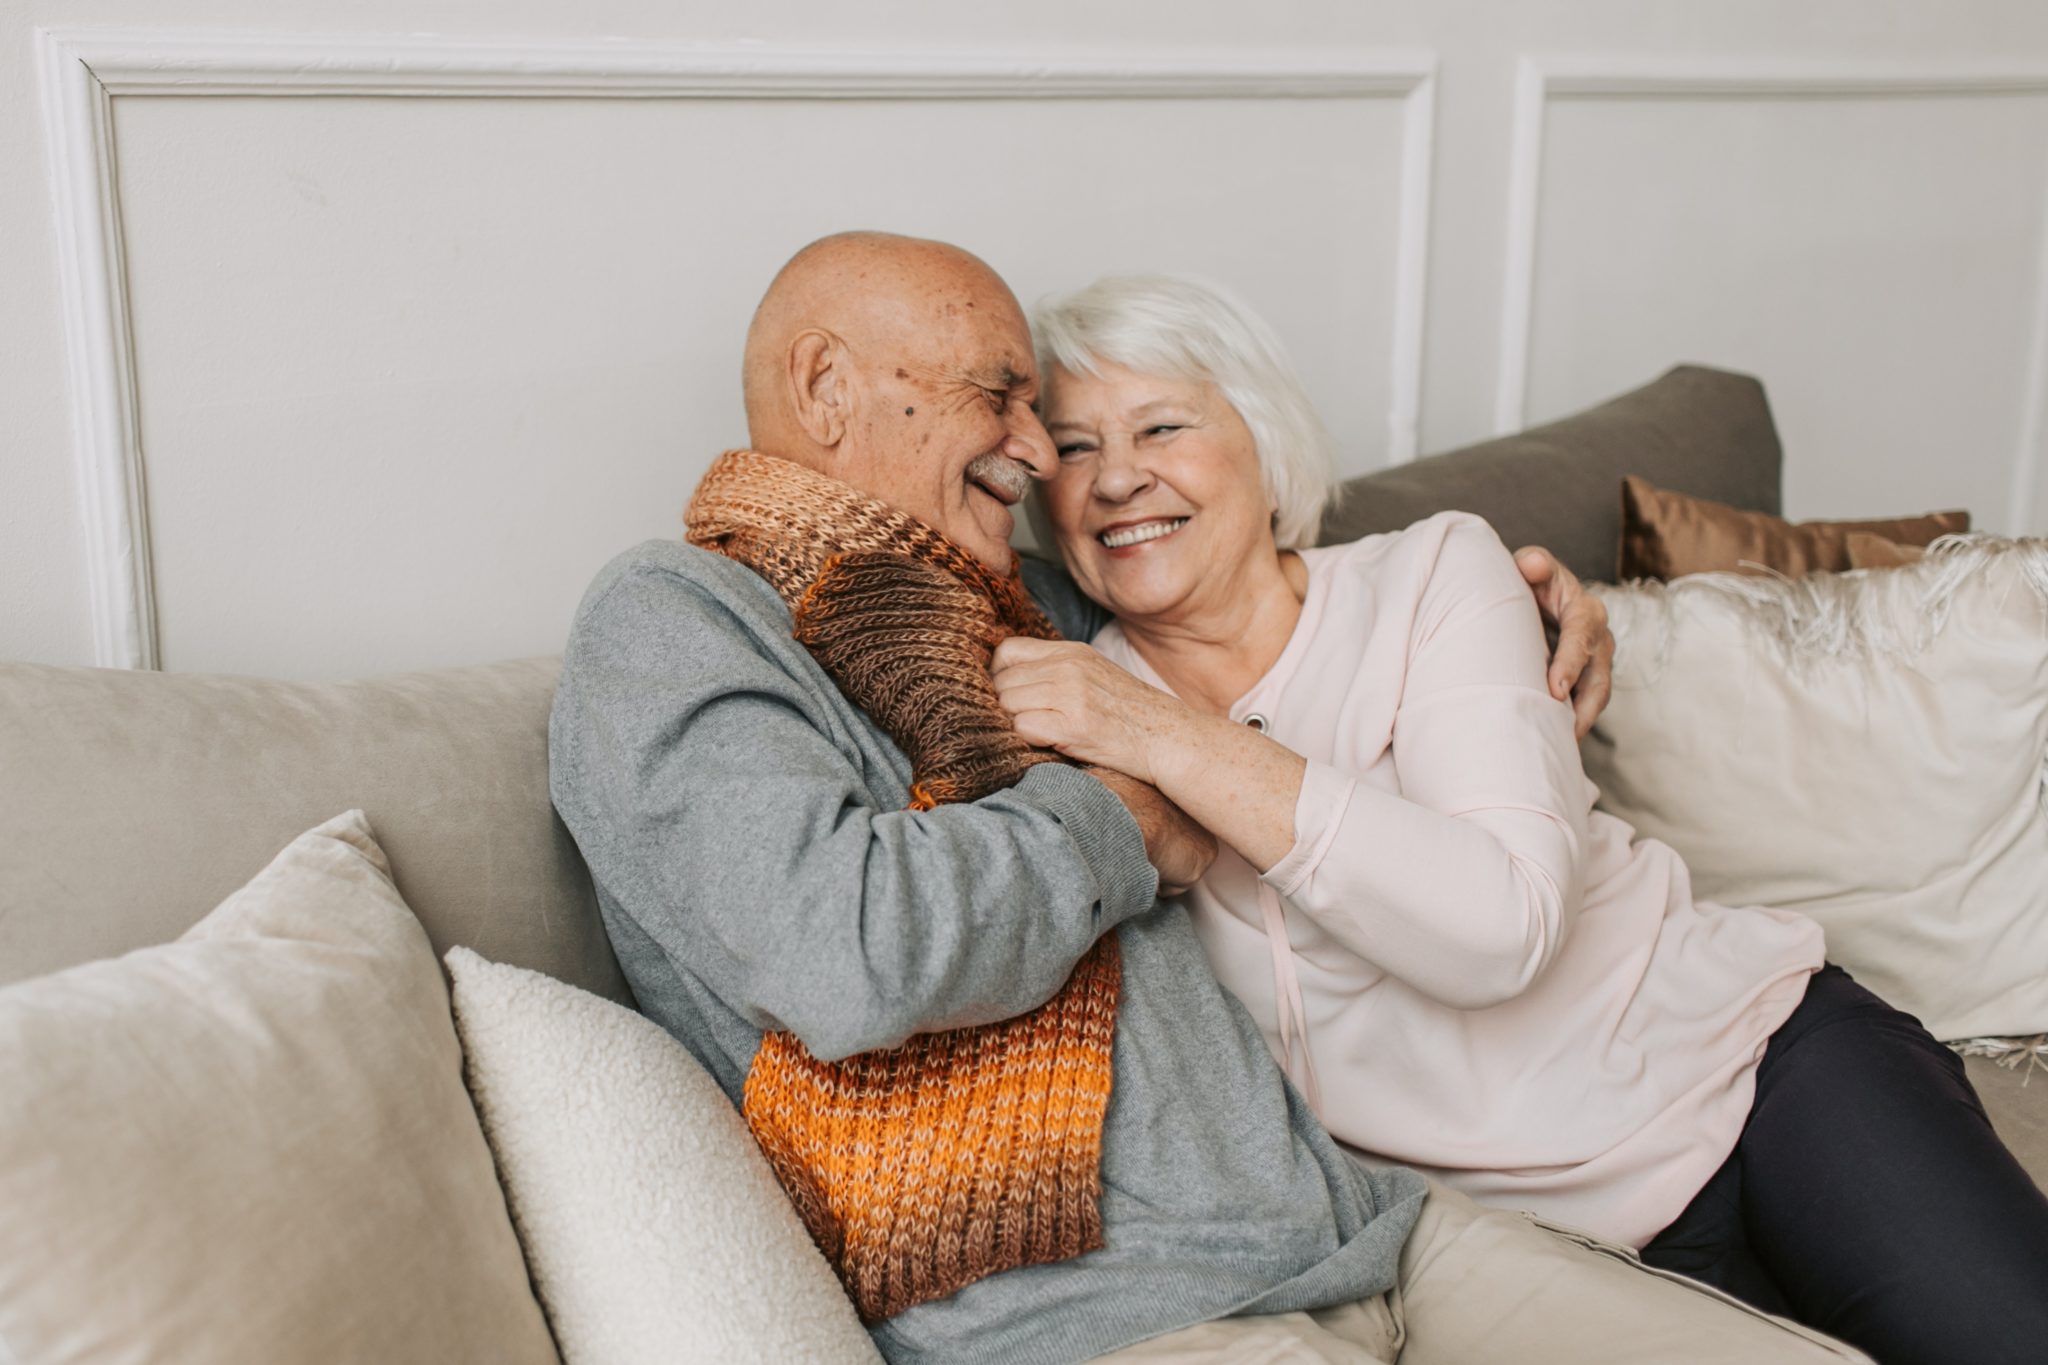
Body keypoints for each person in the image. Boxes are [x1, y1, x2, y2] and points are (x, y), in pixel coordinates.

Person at [549, 231, 1869, 1364]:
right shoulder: (678, 621)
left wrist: (1547, 604)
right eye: (1005, 401)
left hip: (1372, 1227)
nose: (1039, 454)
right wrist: (1130, 822)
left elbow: (1236, 569)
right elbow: (841, 950)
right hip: (1131, 1317)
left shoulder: (1014, 602)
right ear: (825, 385)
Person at [992, 270, 2048, 1365]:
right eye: (1071, 449)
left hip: (1753, 1075)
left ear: (1263, 449)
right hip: (1532, 1253)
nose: (1116, 477)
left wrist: (1173, 740)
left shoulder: (1434, 576)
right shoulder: (1068, 702)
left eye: (1160, 426)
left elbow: (1499, 927)